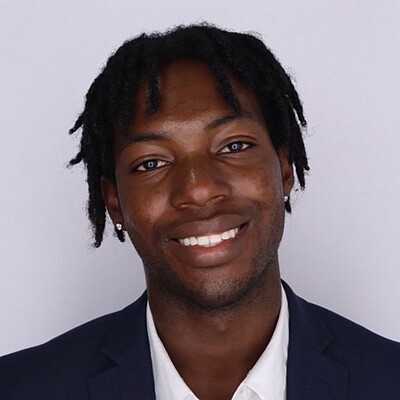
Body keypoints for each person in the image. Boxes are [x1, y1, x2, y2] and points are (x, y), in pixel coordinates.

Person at [0, 23, 399, 400]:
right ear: (115, 201)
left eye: (233, 146)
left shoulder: (388, 379)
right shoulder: (20, 388)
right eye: (151, 163)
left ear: (283, 169)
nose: (198, 188)